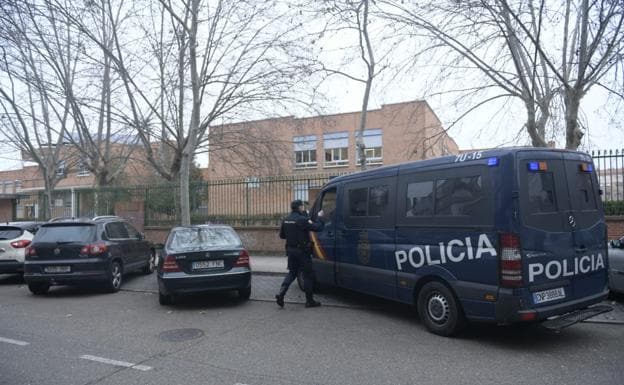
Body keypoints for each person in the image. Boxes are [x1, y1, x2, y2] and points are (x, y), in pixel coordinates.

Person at [276, 199, 324, 308]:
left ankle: (281, 294)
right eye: (302, 206)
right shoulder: (302, 219)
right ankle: (309, 301)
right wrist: (320, 217)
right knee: (308, 275)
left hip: (291, 251)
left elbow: (282, 236)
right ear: (299, 207)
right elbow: (318, 228)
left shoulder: (286, 219)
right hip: (302, 252)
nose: (303, 208)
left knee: (292, 273)